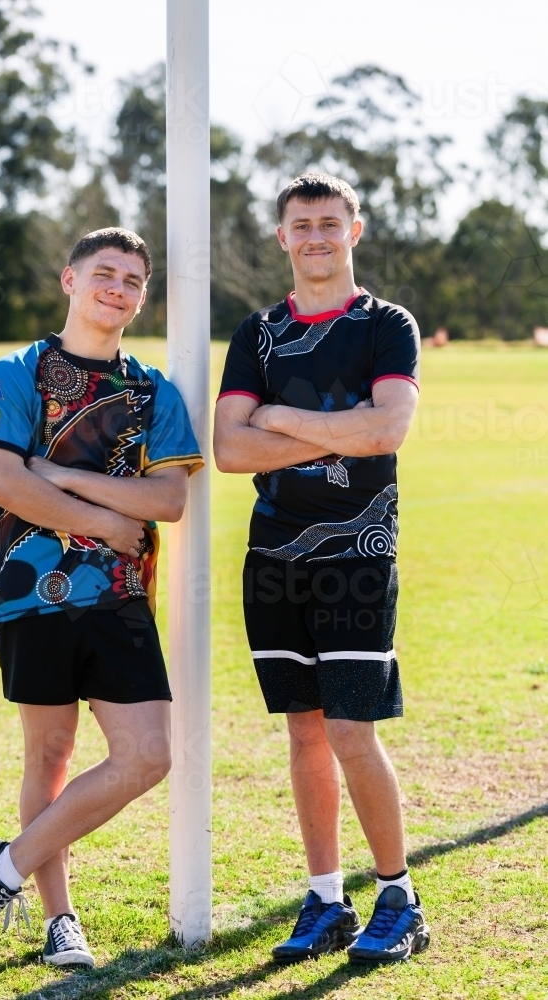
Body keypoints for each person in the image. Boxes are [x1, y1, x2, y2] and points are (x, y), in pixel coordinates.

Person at [0, 227, 203, 967]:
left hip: (120, 595)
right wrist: (103, 518)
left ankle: (2, 868)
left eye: (133, 280)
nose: (118, 289)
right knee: (52, 753)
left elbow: (166, 501)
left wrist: (62, 478)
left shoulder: (152, 392)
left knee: (146, 757)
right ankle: (59, 917)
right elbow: (3, 481)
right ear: (69, 280)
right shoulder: (16, 372)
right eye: (105, 273)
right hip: (27, 592)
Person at [214, 173, 430, 965]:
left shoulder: (386, 325)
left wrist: (278, 416)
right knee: (303, 732)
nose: (314, 235)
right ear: (281, 237)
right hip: (272, 558)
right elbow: (231, 449)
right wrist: (341, 430)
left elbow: (388, 432)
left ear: (354, 231)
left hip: (358, 557)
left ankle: (397, 894)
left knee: (349, 728)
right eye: (300, 223)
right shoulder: (257, 333)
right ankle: (325, 898)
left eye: (328, 222)